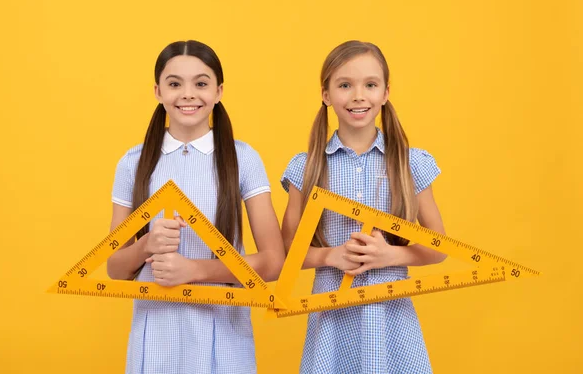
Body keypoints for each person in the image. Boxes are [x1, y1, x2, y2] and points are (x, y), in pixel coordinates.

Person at [106, 40, 285, 374]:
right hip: (153, 343)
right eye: (175, 84)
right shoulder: (132, 163)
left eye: (201, 83)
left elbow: (273, 263)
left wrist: (196, 271)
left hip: (224, 342)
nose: (188, 94)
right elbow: (115, 268)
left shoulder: (243, 159)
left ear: (218, 91)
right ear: (158, 91)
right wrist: (146, 245)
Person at [280, 40, 447, 373]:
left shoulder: (409, 164)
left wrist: (393, 255)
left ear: (385, 92)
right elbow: (286, 249)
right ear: (326, 95)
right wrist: (329, 256)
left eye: (370, 85)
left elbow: (439, 246)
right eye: (345, 85)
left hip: (391, 316)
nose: (358, 96)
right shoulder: (306, 168)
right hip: (331, 316)